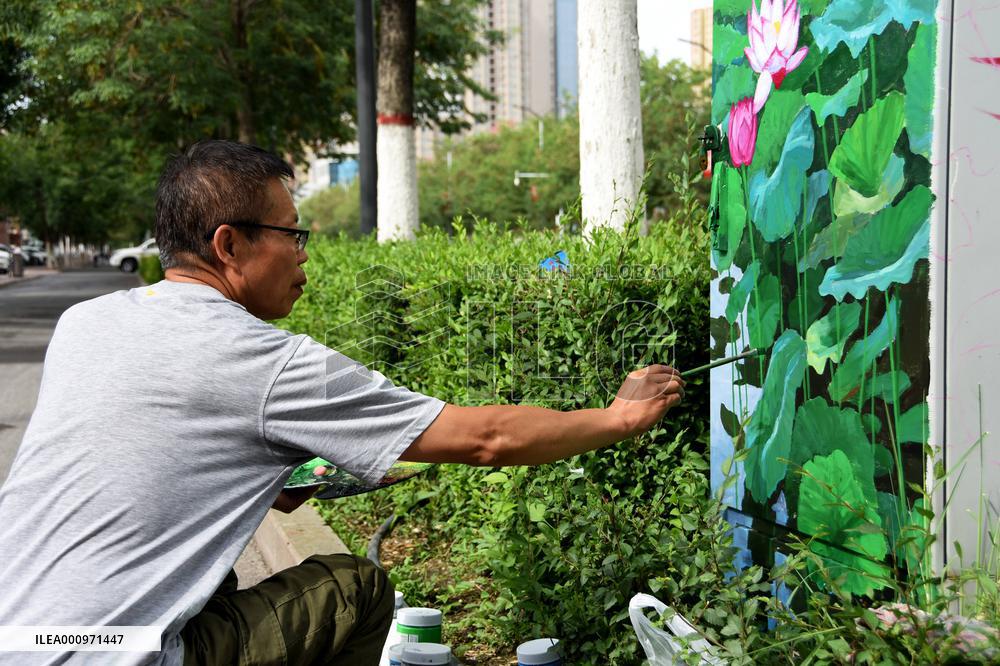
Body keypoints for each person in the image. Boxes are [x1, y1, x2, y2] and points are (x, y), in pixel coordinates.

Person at [0, 140, 685, 666]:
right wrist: (619, 417)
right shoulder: (265, 362)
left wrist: (269, 485)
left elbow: (140, 454)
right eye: (291, 234)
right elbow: (485, 439)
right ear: (228, 244)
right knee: (355, 590)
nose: (305, 255)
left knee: (216, 584)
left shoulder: (86, 323)